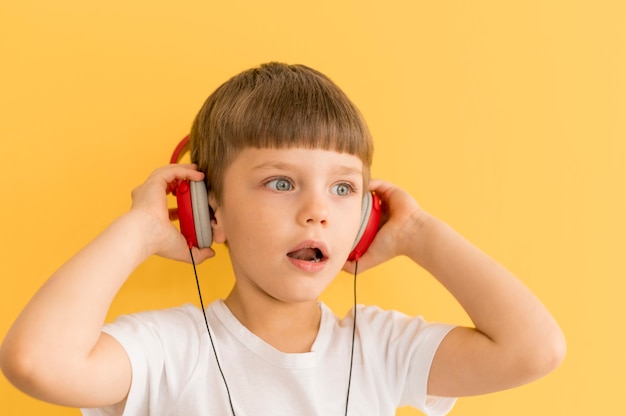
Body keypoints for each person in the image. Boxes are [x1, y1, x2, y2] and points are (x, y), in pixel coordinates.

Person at [0, 62, 565, 416]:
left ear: (367, 218)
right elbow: (34, 362)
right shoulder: (168, 350)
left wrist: (417, 232)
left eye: (344, 189)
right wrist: (140, 229)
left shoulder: (378, 349)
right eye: (280, 182)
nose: (317, 211)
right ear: (206, 208)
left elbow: (535, 351)